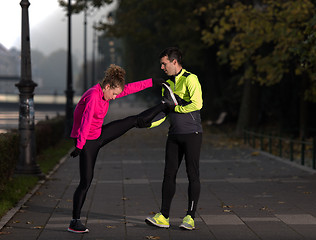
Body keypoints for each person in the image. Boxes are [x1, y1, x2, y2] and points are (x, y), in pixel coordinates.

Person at [67, 64, 175, 233]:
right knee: (85, 182)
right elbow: (86, 121)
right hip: (86, 140)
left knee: (133, 121)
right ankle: (74, 222)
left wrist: (152, 82)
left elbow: (131, 88)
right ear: (107, 87)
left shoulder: (108, 91)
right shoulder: (94, 96)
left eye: (117, 94)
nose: (115, 97)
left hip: (98, 134)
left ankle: (165, 105)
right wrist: (79, 146)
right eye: (114, 94)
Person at [145, 47, 203, 230]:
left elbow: (197, 104)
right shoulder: (167, 85)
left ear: (174, 62)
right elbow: (164, 113)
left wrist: (177, 107)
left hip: (192, 134)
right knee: (168, 175)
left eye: (164, 63)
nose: (162, 67)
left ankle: (190, 218)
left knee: (192, 175)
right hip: (174, 135)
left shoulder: (190, 78)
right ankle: (163, 216)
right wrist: (149, 124)